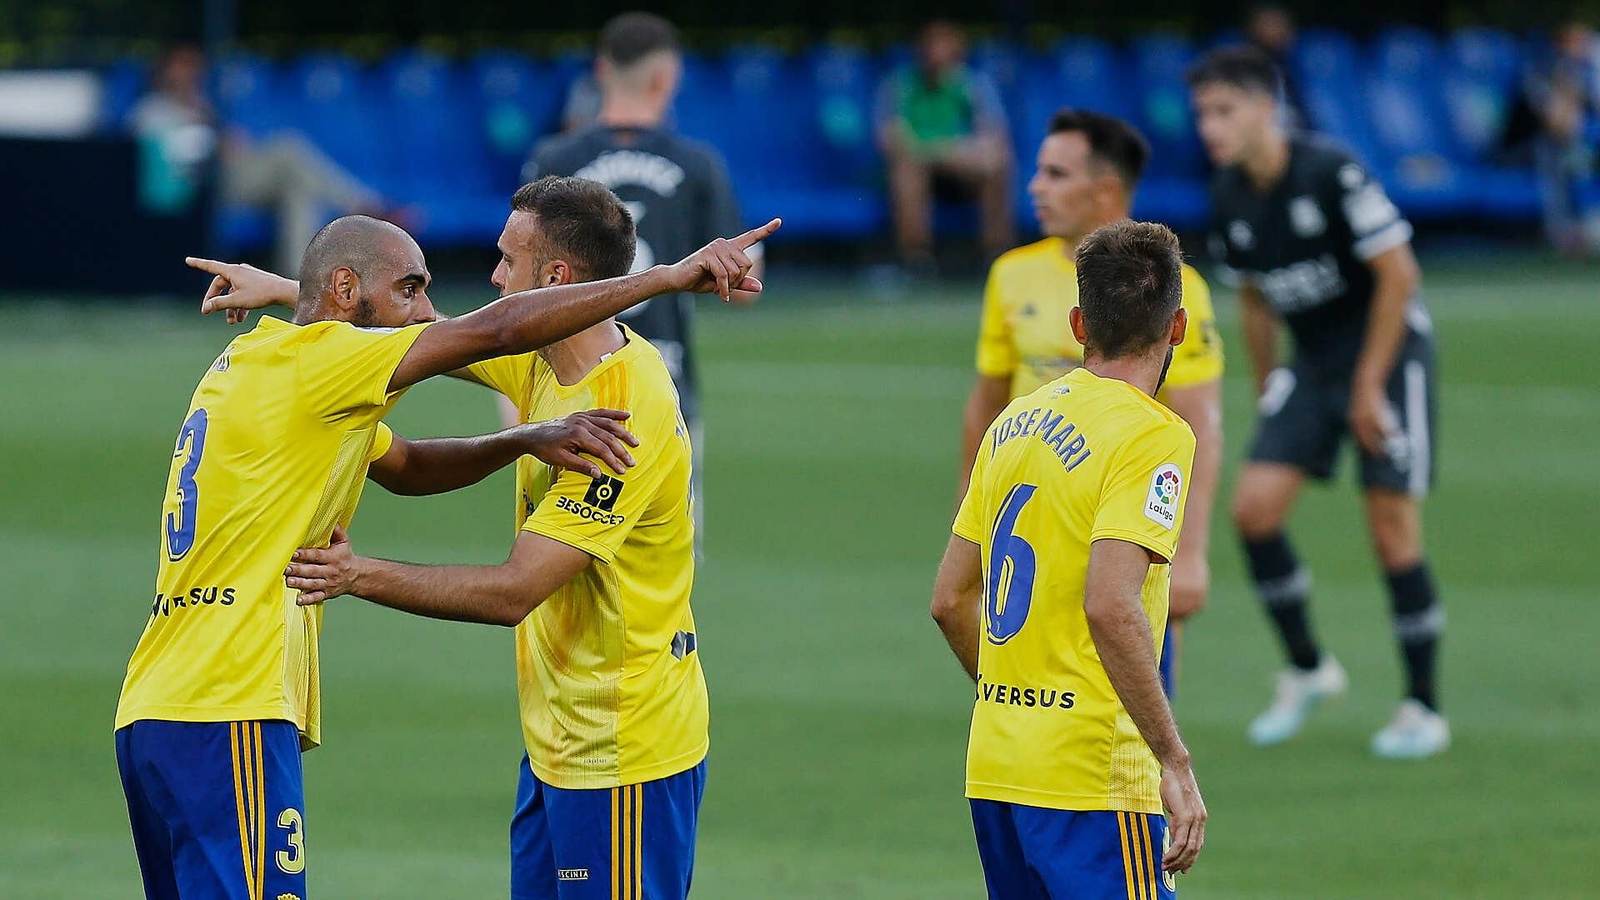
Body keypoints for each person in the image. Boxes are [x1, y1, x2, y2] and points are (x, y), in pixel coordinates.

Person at [113, 211, 773, 898]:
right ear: (342, 288)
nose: (437, 307)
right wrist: (665, 279)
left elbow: (406, 465)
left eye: (503, 263)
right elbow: (495, 329)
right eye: (410, 289)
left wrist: (521, 439)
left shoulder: (262, 365)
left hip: (154, 710)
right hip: (227, 710)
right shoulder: (328, 371)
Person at [272, 177, 707, 900]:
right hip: (555, 748)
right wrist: (288, 289)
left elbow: (514, 592)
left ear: (555, 278)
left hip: (624, 757)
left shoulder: (625, 413)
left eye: (509, 261)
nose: (495, 276)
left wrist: (356, 574)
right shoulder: (544, 355)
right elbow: (433, 333)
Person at [932, 220, 1207, 899]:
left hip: (998, 764)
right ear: (1175, 329)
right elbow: (1111, 603)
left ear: (1079, 323)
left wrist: (1012, 702)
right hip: (1094, 775)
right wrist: (1172, 760)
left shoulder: (1014, 423)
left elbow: (948, 599)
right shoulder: (1152, 435)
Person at [1188, 47, 1448, 758]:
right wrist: (1267, 380)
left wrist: (1369, 386)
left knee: (1391, 528)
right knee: (1253, 511)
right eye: (1202, 114)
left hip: (1390, 358)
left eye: (1223, 110)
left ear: (1265, 108)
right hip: (1312, 368)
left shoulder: (1332, 170)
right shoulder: (1228, 196)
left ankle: (1423, 706)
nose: (1209, 127)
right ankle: (1308, 670)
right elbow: (1252, 300)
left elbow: (1400, 274)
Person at [959, 109, 1224, 698]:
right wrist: (969, 525)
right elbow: (985, 406)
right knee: (1027, 695)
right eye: (1038, 171)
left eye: (1055, 173)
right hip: (1032, 524)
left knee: (1136, 702)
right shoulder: (1011, 275)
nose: (1036, 187)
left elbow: (1198, 419)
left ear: (1105, 189)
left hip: (1119, 520)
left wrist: (1194, 554)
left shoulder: (1177, 290)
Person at [525, 12, 760, 548]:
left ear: (602, 70)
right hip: (665, 391)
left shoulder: (555, 161)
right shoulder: (696, 164)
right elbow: (748, 284)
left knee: (553, 567)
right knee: (664, 565)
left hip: (566, 395)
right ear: (666, 78)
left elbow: (518, 285)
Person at [126, 46, 397, 276]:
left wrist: (221, 138)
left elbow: (234, 144)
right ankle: (361, 205)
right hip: (202, 186)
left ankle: (299, 278)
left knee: (298, 188)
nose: (189, 73)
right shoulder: (152, 110)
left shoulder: (202, 104)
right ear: (165, 70)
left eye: (193, 66)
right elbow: (163, 160)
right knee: (289, 149)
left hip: (232, 175)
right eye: (181, 66)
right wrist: (212, 142)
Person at [876, 20, 1015, 271]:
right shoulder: (902, 85)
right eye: (931, 46)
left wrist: (950, 152)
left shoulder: (972, 86)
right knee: (907, 169)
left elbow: (993, 136)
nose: (937, 54)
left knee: (997, 165)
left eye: (945, 46)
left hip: (964, 172)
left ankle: (996, 257)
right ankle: (916, 260)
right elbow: (891, 139)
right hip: (921, 169)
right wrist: (943, 151)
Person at [1242, 4, 1310, 129]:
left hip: (1302, 137)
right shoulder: (1240, 68)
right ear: (1252, 28)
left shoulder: (1302, 64)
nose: (1276, 30)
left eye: (1280, 23)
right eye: (1269, 24)